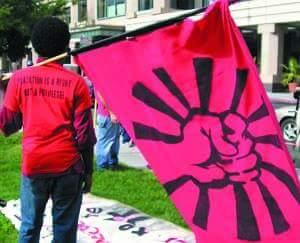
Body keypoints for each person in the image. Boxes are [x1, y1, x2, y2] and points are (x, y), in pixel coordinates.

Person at [0, 17, 96, 243]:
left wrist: (3, 92)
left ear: (34, 46)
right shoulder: (77, 83)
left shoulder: (19, 79)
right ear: (65, 47)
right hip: (69, 168)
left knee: (30, 227)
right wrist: (89, 171)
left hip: (34, 165)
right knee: (64, 230)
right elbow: (84, 137)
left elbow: (8, 125)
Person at [95, 91, 121, 170]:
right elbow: (102, 95)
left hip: (112, 115)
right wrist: (111, 112)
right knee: (105, 143)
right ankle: (102, 167)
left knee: (114, 141)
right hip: (107, 116)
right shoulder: (101, 79)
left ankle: (112, 164)